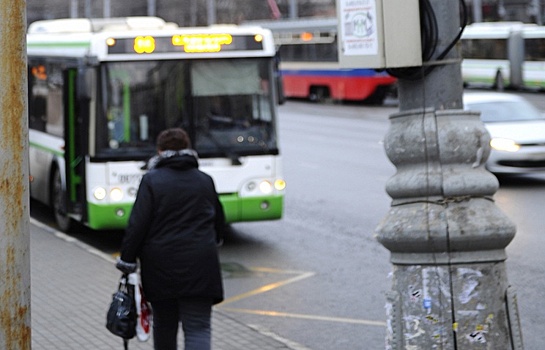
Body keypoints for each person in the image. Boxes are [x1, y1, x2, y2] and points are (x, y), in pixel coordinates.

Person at [116, 127, 225, 350]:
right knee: (198, 327)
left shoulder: (152, 181)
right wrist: (213, 242)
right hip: (201, 266)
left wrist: (127, 259)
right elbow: (219, 221)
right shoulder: (205, 180)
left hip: (161, 267)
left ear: (159, 151)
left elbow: (138, 224)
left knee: (164, 325)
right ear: (188, 150)